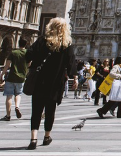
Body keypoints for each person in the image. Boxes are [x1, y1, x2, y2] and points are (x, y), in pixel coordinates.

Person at [25, 18, 76, 150]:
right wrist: (74, 78)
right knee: (50, 111)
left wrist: (34, 62)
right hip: (55, 83)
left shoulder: (42, 40)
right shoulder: (66, 44)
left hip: (39, 81)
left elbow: (28, 55)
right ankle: (47, 136)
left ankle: (33, 139)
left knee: (36, 111)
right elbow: (70, 65)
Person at [0, 39, 28, 121]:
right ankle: (17, 106)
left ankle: (8, 115)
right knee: (18, 94)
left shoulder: (13, 53)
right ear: (26, 44)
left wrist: (1, 75)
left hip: (11, 77)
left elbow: (7, 65)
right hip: (21, 77)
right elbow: (29, 64)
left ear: (18, 44)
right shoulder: (27, 53)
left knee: (9, 96)